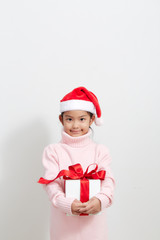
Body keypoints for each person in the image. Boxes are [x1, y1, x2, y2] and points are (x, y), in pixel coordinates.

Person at [38, 86, 115, 240]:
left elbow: (109, 181)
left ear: (91, 120)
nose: (75, 125)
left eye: (82, 119)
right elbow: (51, 184)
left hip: (95, 226)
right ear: (61, 119)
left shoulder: (100, 151)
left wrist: (101, 200)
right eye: (69, 119)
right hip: (63, 226)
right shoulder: (53, 151)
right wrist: (66, 203)